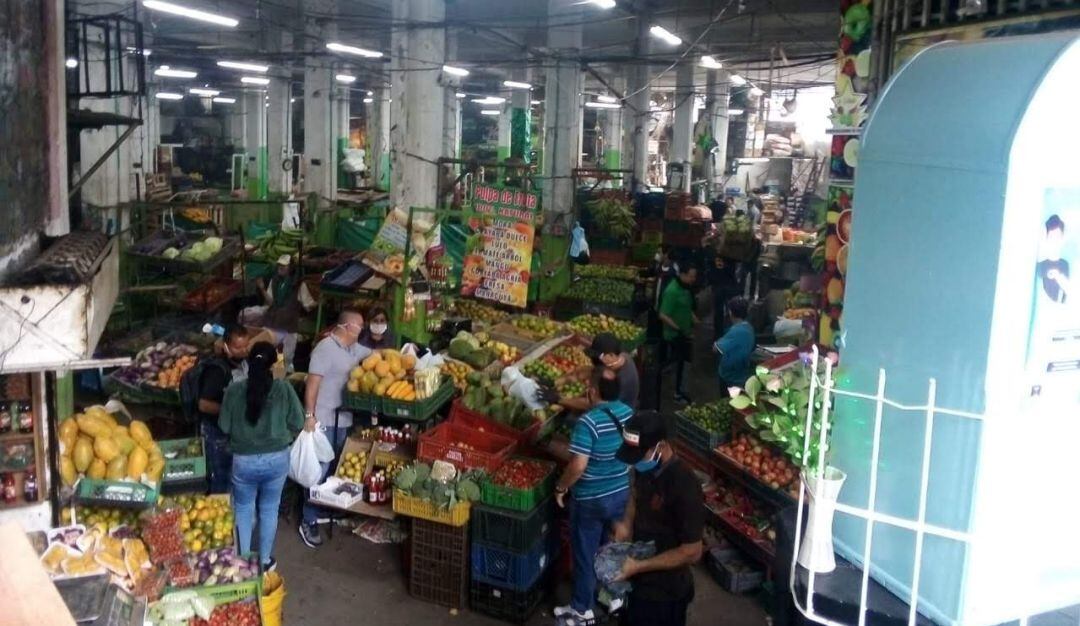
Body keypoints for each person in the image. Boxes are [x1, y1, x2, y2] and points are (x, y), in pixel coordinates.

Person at [218, 341, 310, 572]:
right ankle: (265, 560)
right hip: (277, 460)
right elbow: (298, 422)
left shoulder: (234, 390)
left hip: (244, 462)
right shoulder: (283, 389)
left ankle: (242, 562)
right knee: (269, 509)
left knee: (243, 509)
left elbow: (224, 426)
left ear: (248, 363)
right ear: (273, 365)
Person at [553, 373, 634, 626]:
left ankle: (582, 611)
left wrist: (561, 487)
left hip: (590, 498)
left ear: (593, 392)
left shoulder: (588, 423)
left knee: (585, 555)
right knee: (609, 549)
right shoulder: (628, 413)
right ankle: (613, 598)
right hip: (619, 492)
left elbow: (578, 465)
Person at [612, 410, 705, 626]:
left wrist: (639, 566)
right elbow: (635, 494)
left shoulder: (685, 485)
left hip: (665, 593)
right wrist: (626, 524)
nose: (635, 463)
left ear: (660, 446)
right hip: (637, 584)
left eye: (639, 455)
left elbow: (692, 551)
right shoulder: (646, 467)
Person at [299, 309, 372, 548]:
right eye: (359, 325)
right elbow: (312, 385)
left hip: (343, 419)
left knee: (336, 469)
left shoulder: (354, 349)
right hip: (323, 418)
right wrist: (309, 416)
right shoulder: (325, 349)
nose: (363, 329)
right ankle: (308, 519)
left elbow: (376, 355)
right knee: (318, 471)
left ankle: (328, 508)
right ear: (346, 327)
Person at [197, 326, 251, 493]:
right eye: (238, 347)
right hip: (216, 433)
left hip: (233, 432)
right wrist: (231, 411)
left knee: (234, 476)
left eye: (246, 346)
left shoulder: (243, 363)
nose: (243, 351)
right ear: (226, 346)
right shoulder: (217, 370)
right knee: (221, 478)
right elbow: (204, 404)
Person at [240, 254, 314, 370]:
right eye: (279, 265)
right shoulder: (274, 281)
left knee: (284, 358)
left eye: (284, 265)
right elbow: (270, 302)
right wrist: (262, 288)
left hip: (288, 327)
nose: (281, 267)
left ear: (291, 268)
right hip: (272, 324)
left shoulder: (299, 285)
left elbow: (308, 305)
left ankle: (279, 375)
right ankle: (267, 373)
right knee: (268, 354)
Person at [658, 264, 699, 404]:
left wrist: (694, 319)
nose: (693, 279)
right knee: (679, 363)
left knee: (684, 362)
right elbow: (663, 315)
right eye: (691, 276)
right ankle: (678, 393)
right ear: (682, 274)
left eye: (694, 276)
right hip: (674, 335)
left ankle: (681, 389)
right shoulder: (672, 291)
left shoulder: (685, 288)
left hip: (685, 333)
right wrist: (678, 328)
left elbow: (686, 307)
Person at [713, 297, 755, 390]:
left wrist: (718, 341)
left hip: (730, 377)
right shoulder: (749, 327)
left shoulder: (736, 331)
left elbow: (716, 348)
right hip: (743, 374)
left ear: (730, 312)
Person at [1037, 214, 1070, 304]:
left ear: (1062, 239)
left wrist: (1058, 277)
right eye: (1052, 237)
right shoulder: (1040, 266)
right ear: (1046, 238)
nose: (1055, 241)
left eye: (1058, 237)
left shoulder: (1065, 265)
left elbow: (1071, 294)